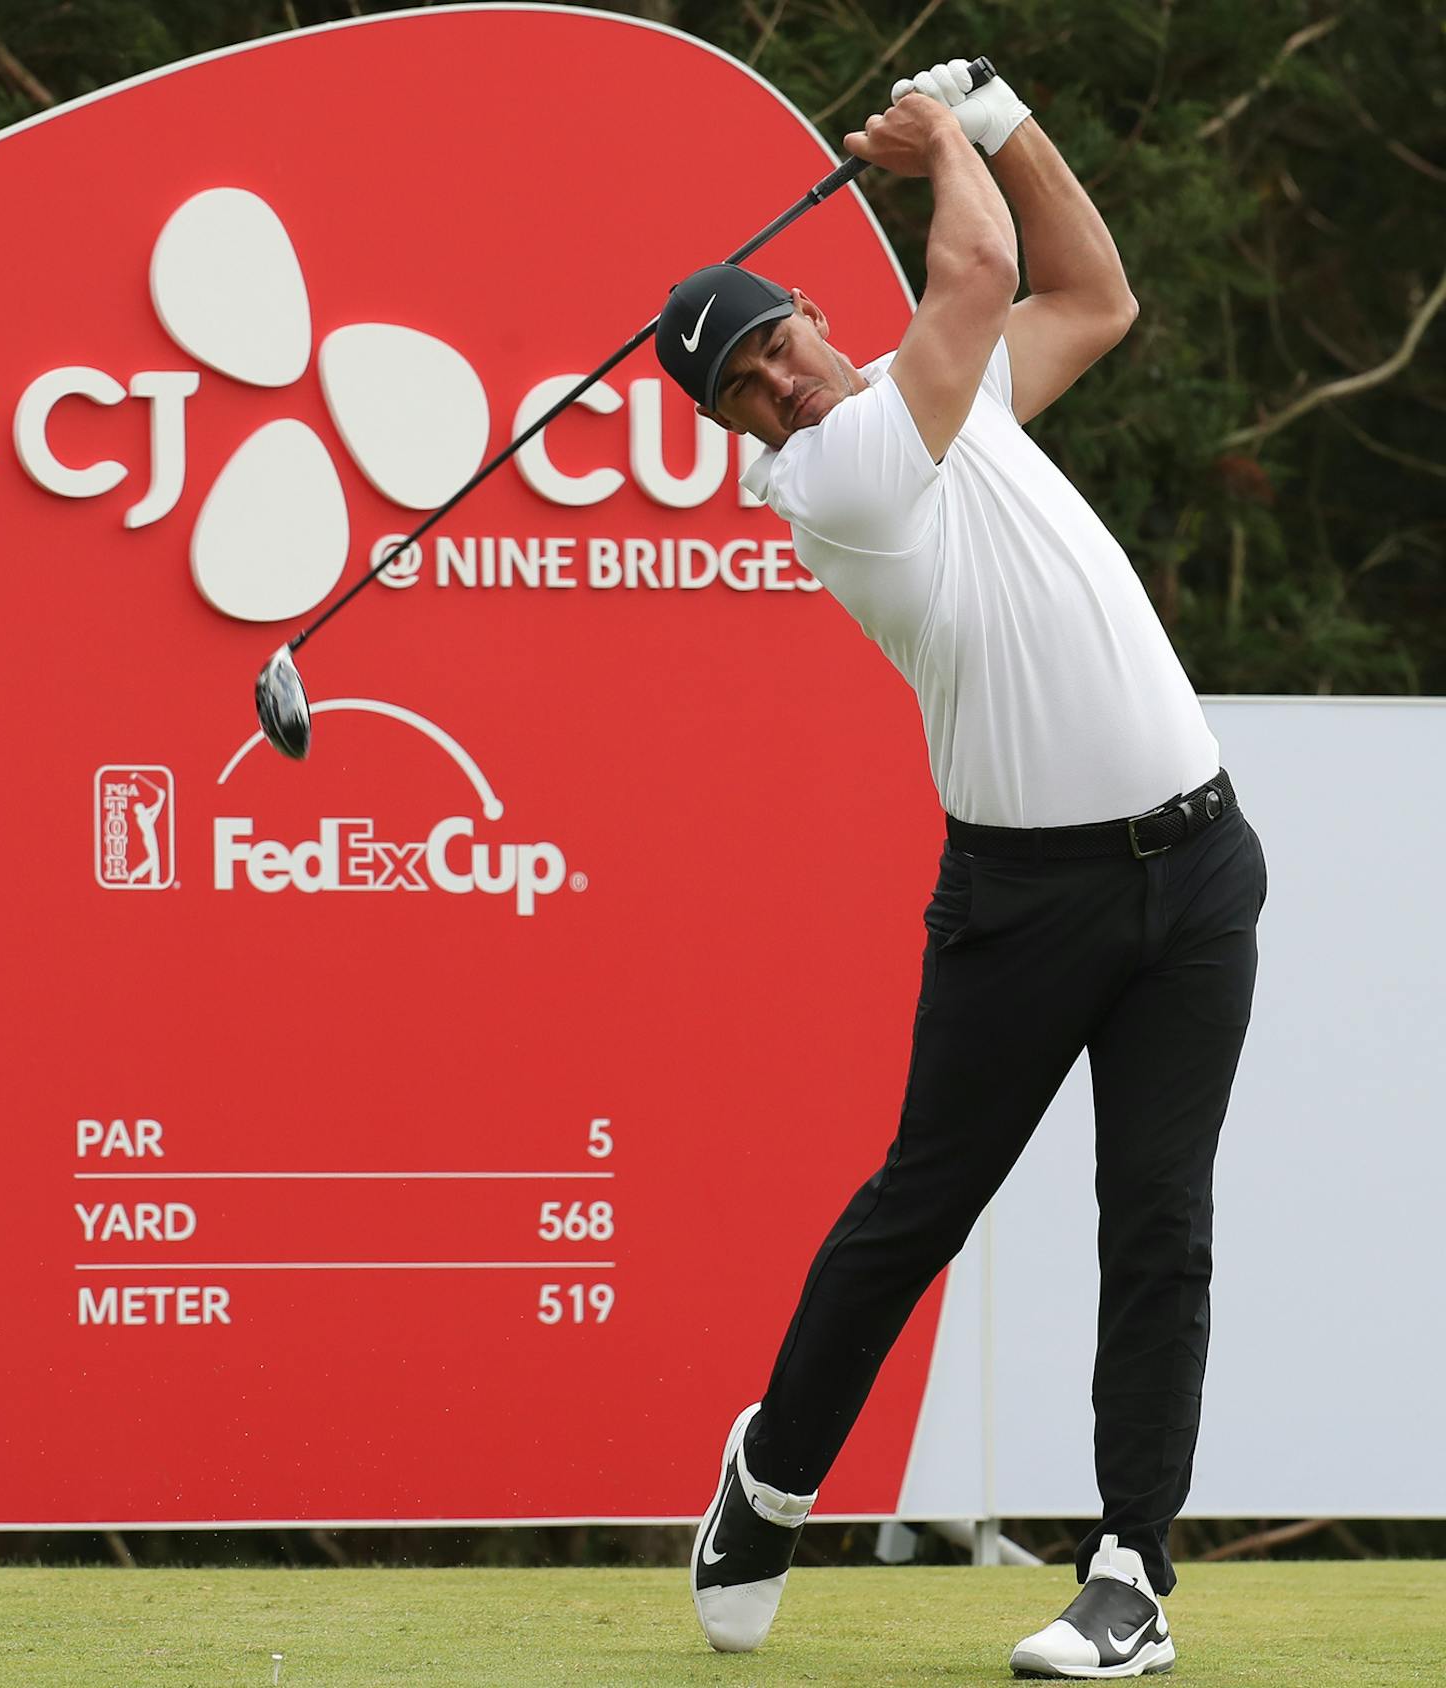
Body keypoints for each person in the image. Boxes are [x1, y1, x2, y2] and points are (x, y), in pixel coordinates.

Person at [653, 58, 1268, 1681]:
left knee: (1158, 1221)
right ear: (738, 436)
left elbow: (1093, 291)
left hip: (1200, 871)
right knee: (922, 1207)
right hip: (1026, 902)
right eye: (745, 391)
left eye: (776, 338)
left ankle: (1128, 1577)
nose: (780, 382)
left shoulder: (952, 406)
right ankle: (773, 1476)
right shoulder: (834, 486)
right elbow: (983, 270)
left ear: (806, 309)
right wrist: (942, 144)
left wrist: (1002, 125)